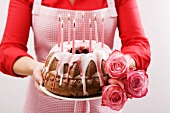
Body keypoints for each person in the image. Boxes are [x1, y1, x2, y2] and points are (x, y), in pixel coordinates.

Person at [0, 0, 151, 113]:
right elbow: (7, 50)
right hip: (42, 105)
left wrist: (120, 64)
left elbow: (138, 44)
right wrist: (35, 68)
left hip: (100, 106)